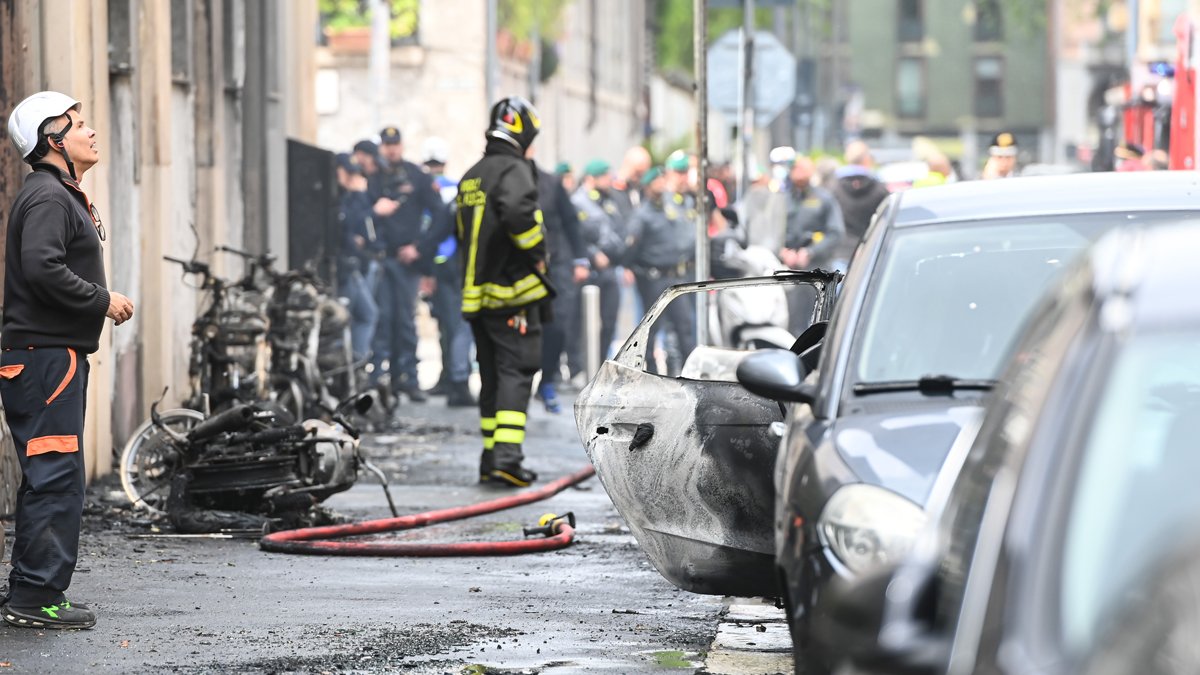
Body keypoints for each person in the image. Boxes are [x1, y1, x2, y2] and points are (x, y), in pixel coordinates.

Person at [1, 91, 134, 629]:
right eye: (78, 124)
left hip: (47, 359)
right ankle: (35, 600)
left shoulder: (54, 193)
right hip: (44, 361)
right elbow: (41, 266)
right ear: (53, 141)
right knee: (57, 475)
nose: (90, 131)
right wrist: (103, 300)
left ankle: (30, 592)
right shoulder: (50, 197)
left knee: (50, 474)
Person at [456, 96, 550, 487]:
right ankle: (507, 459)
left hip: (477, 298)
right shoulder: (513, 170)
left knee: (492, 376)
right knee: (516, 372)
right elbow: (517, 213)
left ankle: (491, 457)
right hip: (511, 295)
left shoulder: (473, 174)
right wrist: (538, 251)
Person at [368, 125, 445, 403]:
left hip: (406, 261)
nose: (391, 149)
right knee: (382, 320)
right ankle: (380, 378)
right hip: (378, 259)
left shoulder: (416, 176)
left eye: (395, 144)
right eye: (387, 144)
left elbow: (440, 214)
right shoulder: (373, 176)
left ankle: (409, 379)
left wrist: (420, 248)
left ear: (401, 145)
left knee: (405, 322)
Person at [417, 137, 475, 407]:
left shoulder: (427, 189)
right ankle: (455, 381)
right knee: (455, 329)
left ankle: (453, 379)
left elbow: (432, 232)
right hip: (454, 268)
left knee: (451, 328)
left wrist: (428, 268)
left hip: (442, 267)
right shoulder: (455, 190)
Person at [624, 166, 696, 376]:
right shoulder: (642, 214)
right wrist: (632, 269)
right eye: (657, 181)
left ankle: (688, 372)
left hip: (675, 278)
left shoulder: (669, 207)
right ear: (648, 186)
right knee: (652, 329)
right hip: (653, 279)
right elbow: (631, 248)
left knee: (684, 327)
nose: (662, 184)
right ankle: (651, 372)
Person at [533, 151, 589, 413]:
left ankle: (546, 381)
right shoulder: (504, 184)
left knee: (556, 326)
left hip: (554, 264)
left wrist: (580, 260)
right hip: (518, 268)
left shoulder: (550, 184)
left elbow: (571, 223)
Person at [779, 156, 845, 333]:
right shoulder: (782, 199)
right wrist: (782, 251)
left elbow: (835, 233)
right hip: (788, 270)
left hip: (818, 270)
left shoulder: (824, 199)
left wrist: (810, 252)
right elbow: (772, 231)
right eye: (795, 169)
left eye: (803, 169)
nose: (798, 173)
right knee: (792, 323)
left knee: (820, 324)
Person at [571, 159, 625, 370]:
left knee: (609, 320)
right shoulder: (578, 202)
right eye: (604, 176)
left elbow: (618, 229)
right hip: (590, 271)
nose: (608, 180)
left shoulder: (609, 201)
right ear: (590, 178)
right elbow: (577, 237)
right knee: (583, 323)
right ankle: (580, 367)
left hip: (610, 268)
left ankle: (601, 364)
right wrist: (594, 256)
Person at [334, 152, 381, 364]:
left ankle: (356, 365)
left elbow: (365, 233)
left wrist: (360, 196)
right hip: (340, 268)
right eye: (348, 173)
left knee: (367, 314)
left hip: (353, 266)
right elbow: (345, 230)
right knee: (341, 320)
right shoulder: (334, 197)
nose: (353, 179)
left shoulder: (352, 197)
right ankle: (342, 367)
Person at [829, 140, 889, 264]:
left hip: (840, 251)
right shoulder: (880, 189)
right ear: (866, 159)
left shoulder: (833, 188)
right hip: (871, 250)